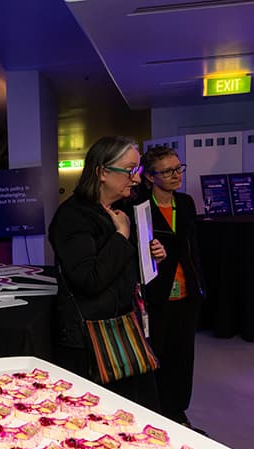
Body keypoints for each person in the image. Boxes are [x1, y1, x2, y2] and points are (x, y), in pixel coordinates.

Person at [48, 135, 165, 411]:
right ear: (102, 172)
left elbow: (121, 267)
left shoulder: (119, 208)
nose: (136, 179)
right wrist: (122, 237)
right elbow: (89, 280)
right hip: (93, 341)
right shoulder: (72, 217)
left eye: (136, 170)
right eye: (129, 170)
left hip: (124, 327)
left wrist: (150, 253)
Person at [136, 146, 205, 429]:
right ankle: (155, 415)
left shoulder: (186, 202)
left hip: (187, 293)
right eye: (168, 171)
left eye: (179, 168)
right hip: (156, 295)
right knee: (156, 356)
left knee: (182, 357)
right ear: (150, 177)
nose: (176, 175)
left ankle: (178, 414)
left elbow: (194, 248)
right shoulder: (139, 207)